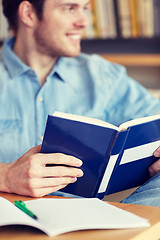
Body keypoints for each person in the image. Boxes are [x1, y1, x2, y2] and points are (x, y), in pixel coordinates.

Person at [1, 0, 160, 206]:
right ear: (29, 14)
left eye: (85, 8)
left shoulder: (102, 75)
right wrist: (6, 176)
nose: (84, 21)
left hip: (88, 218)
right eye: (70, 8)